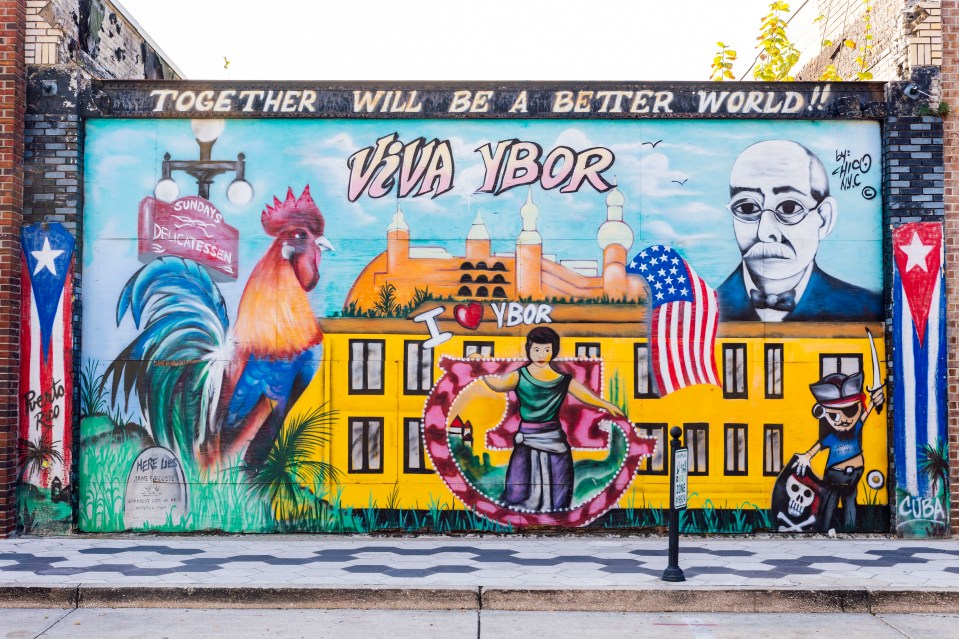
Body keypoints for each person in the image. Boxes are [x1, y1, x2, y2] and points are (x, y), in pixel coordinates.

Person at [716, 140, 881, 322]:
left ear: (824, 219)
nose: (765, 233)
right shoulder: (701, 307)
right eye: (747, 208)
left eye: (789, 208)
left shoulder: (866, 308)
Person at [474, 326, 625, 512]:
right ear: (529, 349)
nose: (541, 354)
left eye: (546, 349)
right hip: (527, 438)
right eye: (536, 349)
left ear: (554, 351)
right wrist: (480, 367)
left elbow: (585, 395)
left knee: (559, 485)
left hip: (554, 438)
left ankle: (555, 516)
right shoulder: (519, 376)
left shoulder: (562, 380)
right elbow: (498, 385)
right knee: (517, 487)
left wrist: (606, 405)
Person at [794, 371, 884, 532]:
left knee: (844, 501)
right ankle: (827, 528)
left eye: (849, 411)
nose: (843, 420)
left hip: (850, 474)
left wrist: (873, 401)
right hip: (837, 474)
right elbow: (817, 447)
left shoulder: (854, 428)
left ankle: (844, 528)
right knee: (834, 501)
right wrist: (806, 457)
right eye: (834, 415)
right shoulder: (833, 436)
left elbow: (866, 413)